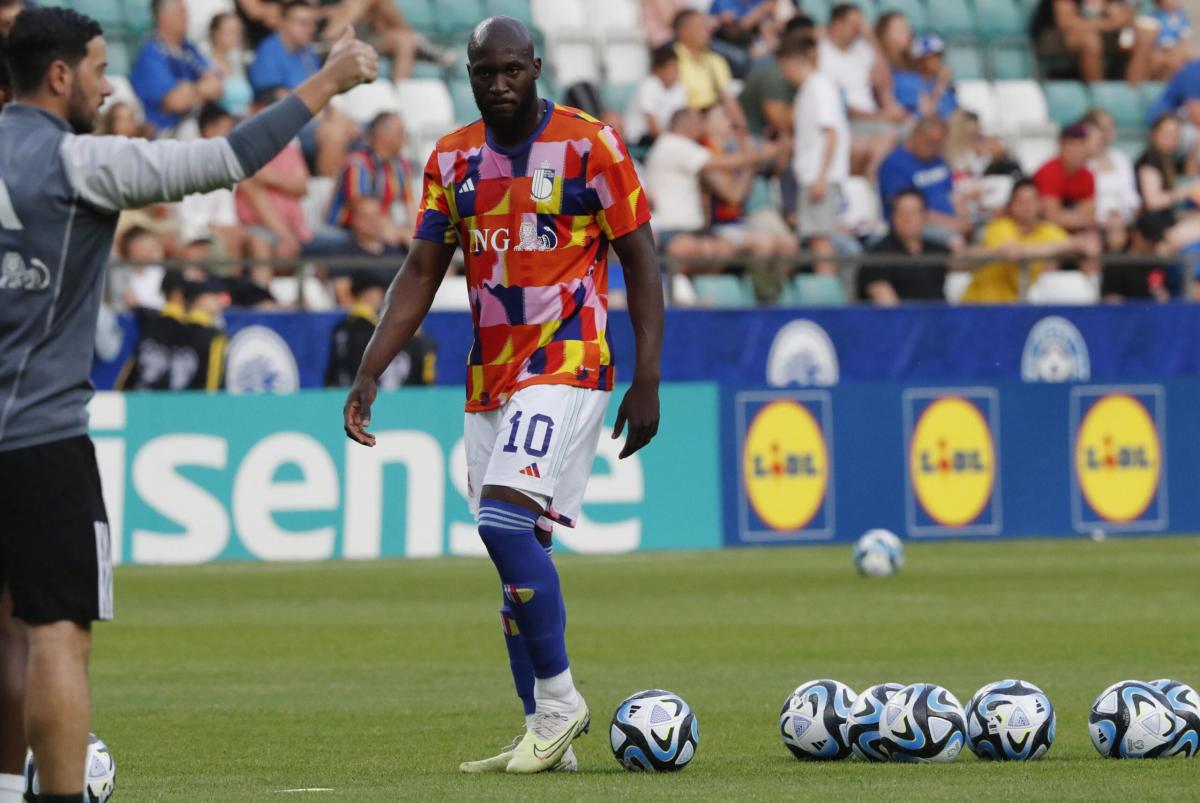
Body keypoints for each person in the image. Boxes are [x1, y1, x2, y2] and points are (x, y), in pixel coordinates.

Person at [0, 9, 376, 802]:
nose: (108, 88)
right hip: (42, 441)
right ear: (60, 75)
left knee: (5, 637)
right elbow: (226, 158)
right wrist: (328, 80)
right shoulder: (84, 161)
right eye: (100, 70)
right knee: (56, 636)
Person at [341, 16, 663, 775]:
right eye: (484, 71)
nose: (498, 84)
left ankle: (559, 703)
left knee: (502, 521)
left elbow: (641, 261)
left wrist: (648, 375)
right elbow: (421, 270)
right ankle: (539, 734)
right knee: (519, 555)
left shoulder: (591, 143)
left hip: (569, 358)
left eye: (512, 70)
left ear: (537, 67)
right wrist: (371, 366)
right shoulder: (452, 157)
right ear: (469, 71)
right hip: (491, 377)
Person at [645, 107, 775, 272]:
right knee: (689, 250)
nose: (702, 127)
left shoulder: (677, 144)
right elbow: (723, 163)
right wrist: (758, 155)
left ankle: (706, 291)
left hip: (693, 229)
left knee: (723, 249)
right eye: (699, 122)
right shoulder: (673, 143)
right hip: (671, 230)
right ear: (688, 125)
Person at [962, 179, 1100, 303]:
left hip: (1014, 311)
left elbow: (1086, 245)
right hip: (980, 306)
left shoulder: (1048, 230)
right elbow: (1015, 252)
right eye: (1021, 201)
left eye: (1031, 201)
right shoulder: (999, 226)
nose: (1026, 207)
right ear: (1011, 205)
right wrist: (1066, 246)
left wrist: (1081, 244)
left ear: (1040, 204)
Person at [780, 34, 849, 272]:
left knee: (820, 238)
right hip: (813, 174)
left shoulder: (819, 87)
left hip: (819, 176)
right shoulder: (810, 89)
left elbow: (831, 133)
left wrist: (821, 176)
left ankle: (826, 290)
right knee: (817, 236)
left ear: (790, 62)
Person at [819, 3, 903, 178]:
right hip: (850, 119)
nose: (858, 29)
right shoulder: (822, 53)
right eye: (853, 24)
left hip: (872, 119)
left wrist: (871, 38)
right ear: (837, 24)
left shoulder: (862, 49)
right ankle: (873, 178)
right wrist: (879, 116)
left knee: (918, 129)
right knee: (889, 135)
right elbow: (837, 102)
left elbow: (885, 81)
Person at [115, 272, 228, 391]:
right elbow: (212, 388)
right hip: (183, 402)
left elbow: (131, 370)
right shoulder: (208, 334)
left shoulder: (150, 321)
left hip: (143, 397)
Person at [325, 271, 435, 387]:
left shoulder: (341, 326)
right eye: (377, 291)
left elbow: (332, 371)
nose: (380, 296)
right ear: (369, 293)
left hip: (341, 394)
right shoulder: (372, 329)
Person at [130, 0, 223, 135]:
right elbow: (176, 102)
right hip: (168, 134)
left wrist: (190, 90)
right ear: (164, 17)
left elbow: (217, 86)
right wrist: (201, 89)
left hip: (200, 125)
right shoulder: (150, 54)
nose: (187, 17)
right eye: (181, 12)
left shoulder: (188, 48)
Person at [325, 111, 415, 245]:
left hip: (382, 226)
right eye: (400, 132)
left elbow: (410, 205)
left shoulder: (400, 165)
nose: (404, 138)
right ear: (383, 135)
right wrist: (399, 232)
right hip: (349, 228)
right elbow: (363, 209)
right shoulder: (357, 162)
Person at [878, 116, 967, 245]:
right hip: (916, 226)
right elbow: (908, 211)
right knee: (954, 241)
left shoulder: (937, 160)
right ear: (917, 136)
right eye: (932, 142)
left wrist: (963, 219)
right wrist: (952, 224)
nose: (936, 147)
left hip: (951, 223)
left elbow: (952, 194)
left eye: (939, 143)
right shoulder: (895, 164)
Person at [860, 189, 951, 304]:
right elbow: (887, 304)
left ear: (925, 216)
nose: (908, 219)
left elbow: (962, 261)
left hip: (939, 318)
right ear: (893, 216)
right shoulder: (877, 256)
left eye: (913, 213)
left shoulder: (934, 250)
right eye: (902, 213)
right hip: (900, 319)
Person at [1031, 0, 1151, 83]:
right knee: (1090, 41)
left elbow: (1124, 17)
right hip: (1054, 36)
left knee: (1144, 37)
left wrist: (1123, 17)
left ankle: (1133, 94)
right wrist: (1106, 24)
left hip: (1101, 34)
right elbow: (1065, 23)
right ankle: (1098, 93)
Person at [1135, 113, 1200, 257]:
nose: (1172, 139)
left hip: (1166, 217)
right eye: (1167, 133)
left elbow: (1190, 168)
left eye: (1175, 134)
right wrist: (1184, 191)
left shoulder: (1167, 159)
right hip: (1152, 222)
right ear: (1154, 133)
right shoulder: (1150, 161)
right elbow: (1153, 202)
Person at [672, 8, 747, 129]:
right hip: (685, 123)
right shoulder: (671, 61)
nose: (707, 30)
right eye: (700, 27)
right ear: (683, 31)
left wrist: (742, 130)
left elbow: (729, 100)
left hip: (714, 121)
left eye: (706, 26)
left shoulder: (716, 61)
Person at [326, 196, 403, 306]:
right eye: (366, 217)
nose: (373, 221)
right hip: (369, 317)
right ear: (355, 220)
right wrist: (363, 315)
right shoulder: (344, 254)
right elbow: (342, 295)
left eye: (376, 215)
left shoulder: (397, 251)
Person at [1033, 122, 1097, 233]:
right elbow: (1050, 216)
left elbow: (1089, 215)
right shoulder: (1049, 171)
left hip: (1074, 230)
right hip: (1041, 228)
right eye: (1072, 145)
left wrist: (1069, 218)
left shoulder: (1087, 175)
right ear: (1062, 145)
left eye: (1080, 145)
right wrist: (1078, 218)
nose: (1076, 151)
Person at [624, 43, 688, 148]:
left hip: (667, 138)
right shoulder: (648, 86)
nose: (676, 73)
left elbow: (681, 120)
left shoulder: (679, 88)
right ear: (658, 69)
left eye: (677, 69)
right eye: (671, 69)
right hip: (641, 139)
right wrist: (673, 143)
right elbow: (652, 126)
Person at [248, 0, 320, 92]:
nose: (311, 29)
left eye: (313, 24)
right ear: (284, 22)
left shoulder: (308, 51)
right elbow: (273, 96)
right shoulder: (268, 53)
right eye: (303, 23)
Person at [892, 33, 957, 121]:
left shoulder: (945, 85)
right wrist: (940, 85)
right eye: (931, 57)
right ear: (919, 60)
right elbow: (926, 114)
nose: (936, 61)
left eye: (938, 56)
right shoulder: (908, 82)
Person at [206, 12, 253, 116]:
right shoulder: (205, 64)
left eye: (238, 31)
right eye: (231, 31)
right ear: (215, 33)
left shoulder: (237, 63)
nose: (236, 36)